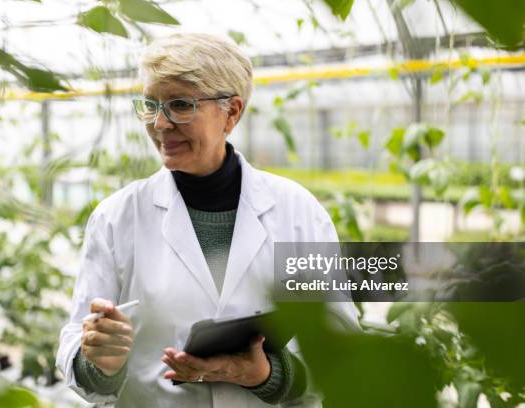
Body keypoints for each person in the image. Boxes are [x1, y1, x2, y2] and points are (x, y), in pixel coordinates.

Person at [56, 32, 359, 407]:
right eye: (151, 105)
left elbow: (338, 348)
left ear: (231, 112)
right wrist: (99, 361)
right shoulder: (117, 217)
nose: (160, 124)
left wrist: (267, 375)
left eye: (180, 105)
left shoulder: (297, 213)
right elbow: (77, 342)